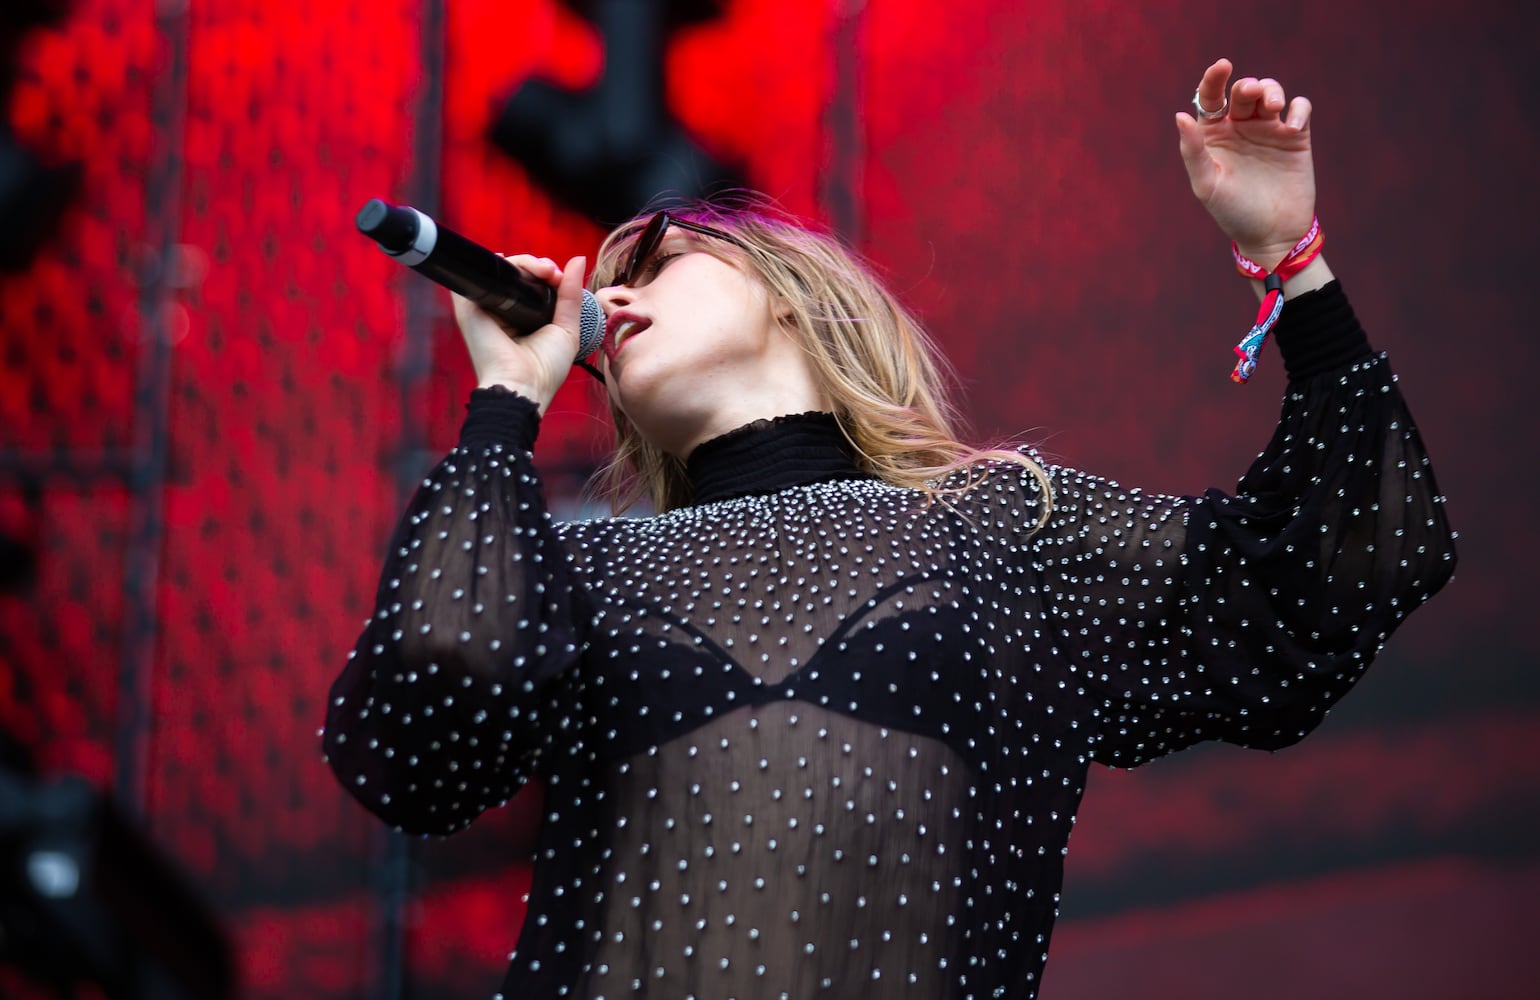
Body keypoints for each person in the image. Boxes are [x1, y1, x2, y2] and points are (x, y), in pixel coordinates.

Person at [323, 59, 1456, 999]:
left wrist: (1291, 257)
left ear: (796, 295)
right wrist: (506, 401)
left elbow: (1328, 574)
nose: (610, 294)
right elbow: (426, 734)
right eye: (602, 287)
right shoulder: (575, 565)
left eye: (659, 259)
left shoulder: (1003, 527)